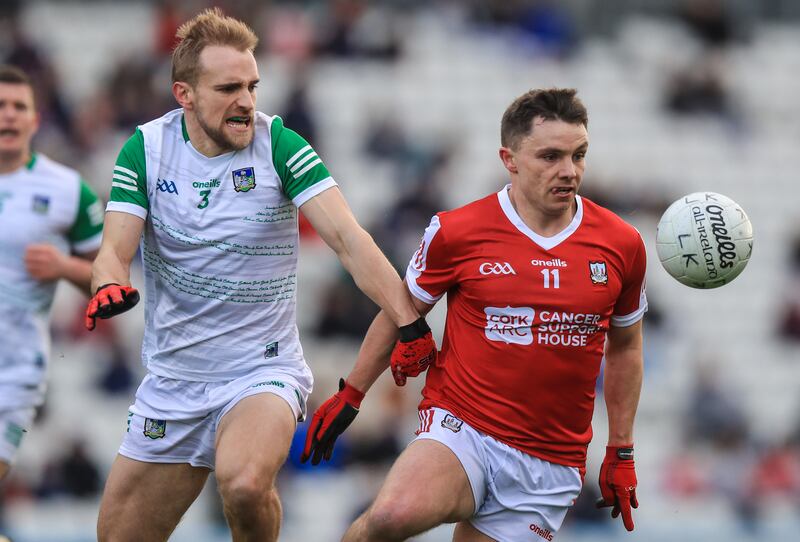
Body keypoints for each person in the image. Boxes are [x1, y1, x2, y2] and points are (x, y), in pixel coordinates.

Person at [83, 8, 435, 542]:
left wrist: (409, 322)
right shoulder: (146, 150)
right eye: (228, 88)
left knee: (245, 483)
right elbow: (114, 250)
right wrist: (109, 283)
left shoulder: (280, 145)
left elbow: (348, 239)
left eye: (252, 86)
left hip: (261, 371)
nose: (246, 101)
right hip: (174, 383)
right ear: (184, 95)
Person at [303, 88, 648, 541]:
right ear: (510, 159)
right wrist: (353, 393)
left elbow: (625, 348)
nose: (569, 170)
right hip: (463, 428)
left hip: (549, 463)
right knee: (389, 517)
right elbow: (400, 310)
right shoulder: (458, 231)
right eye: (550, 156)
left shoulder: (622, 243)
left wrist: (621, 448)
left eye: (578, 155)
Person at [0, 64, 103, 483]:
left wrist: (63, 267)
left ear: (35, 119)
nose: (8, 114)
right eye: (0, 105)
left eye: (19, 106)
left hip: (14, 369)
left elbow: (110, 282)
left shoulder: (67, 190)